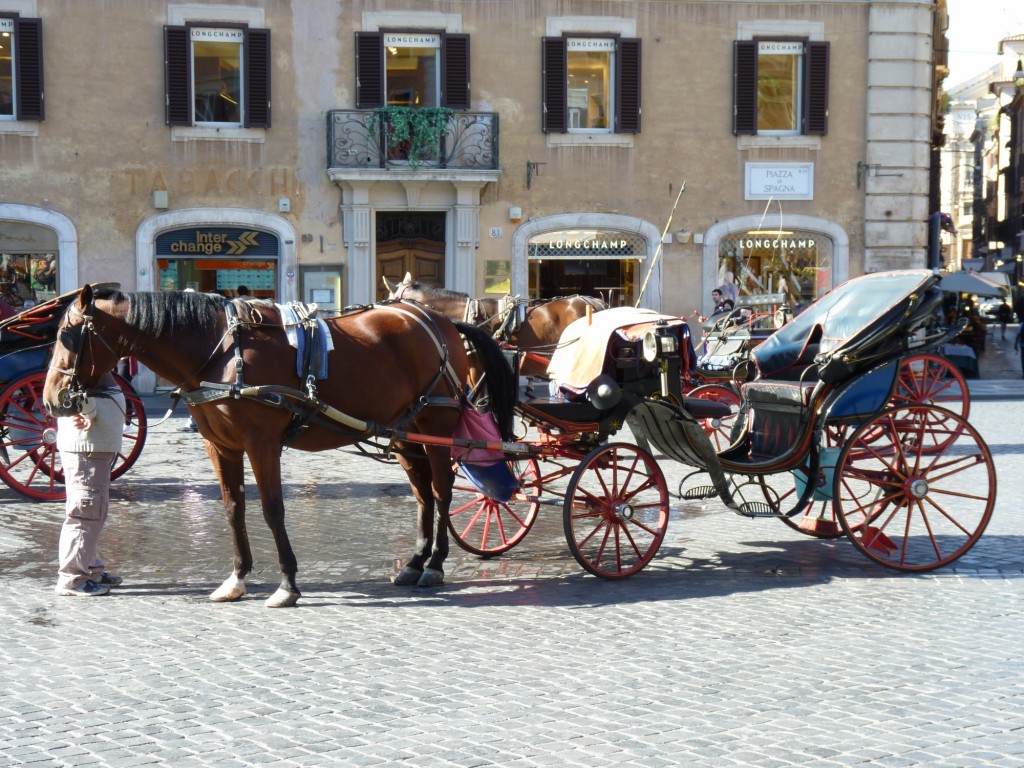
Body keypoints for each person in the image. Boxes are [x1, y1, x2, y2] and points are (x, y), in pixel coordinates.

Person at [55, 371, 125, 597]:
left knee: (94, 511)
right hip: (86, 445)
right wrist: (87, 410)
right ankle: (73, 578)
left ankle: (89, 568)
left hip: (94, 445)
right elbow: (73, 386)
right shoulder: (82, 353)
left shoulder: (91, 353)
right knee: (85, 512)